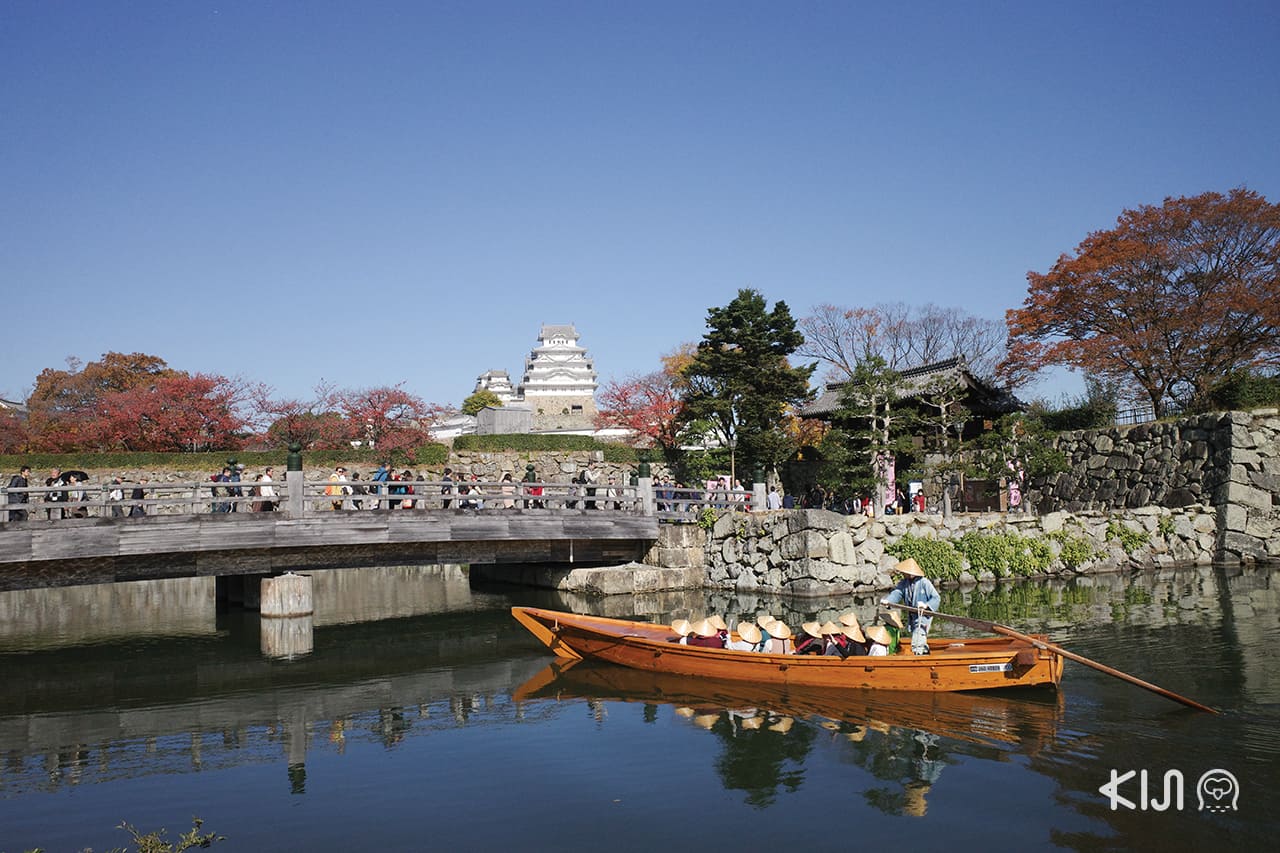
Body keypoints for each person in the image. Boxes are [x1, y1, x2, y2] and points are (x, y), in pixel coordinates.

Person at [881, 557, 941, 655]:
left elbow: (936, 598)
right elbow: (897, 593)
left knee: (917, 639)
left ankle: (919, 657)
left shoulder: (924, 582)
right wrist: (888, 601)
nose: (903, 574)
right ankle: (925, 651)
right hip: (912, 615)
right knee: (917, 635)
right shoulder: (904, 583)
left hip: (923, 616)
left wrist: (926, 605)